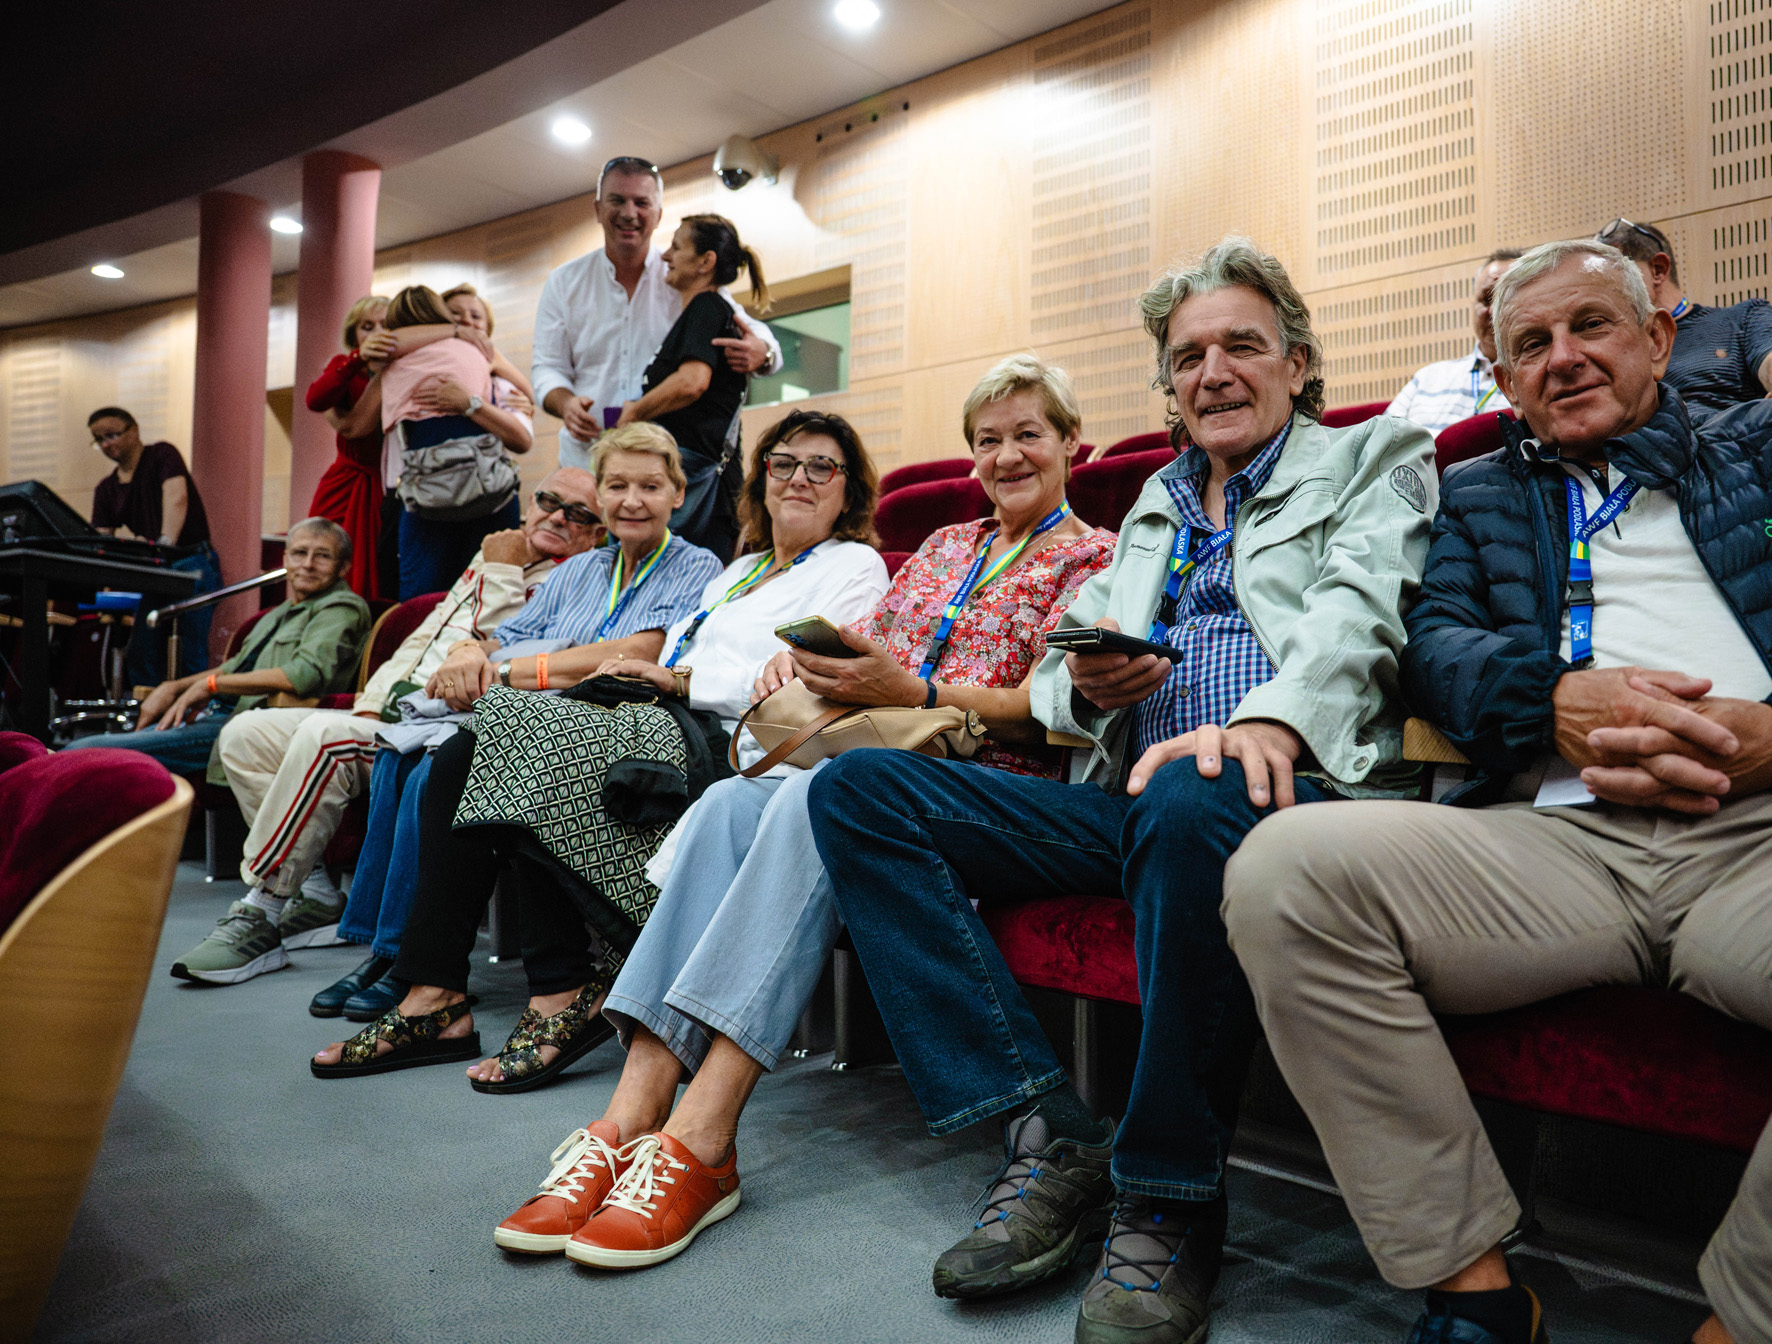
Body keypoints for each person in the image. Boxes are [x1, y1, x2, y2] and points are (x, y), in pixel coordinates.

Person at [1221, 239, 1772, 1344]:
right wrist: (1550, 700)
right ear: (1504, 380)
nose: (1564, 357)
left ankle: (1767, 1325)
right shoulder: (1480, 491)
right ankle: (1476, 1297)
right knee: (1282, 871)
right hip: (1555, 841)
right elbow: (1434, 651)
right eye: (1531, 343)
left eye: (1591, 325)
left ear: (1658, 337)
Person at [808, 239, 1436, 1344]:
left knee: (1196, 788)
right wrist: (1088, 684)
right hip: (1138, 800)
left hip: (1299, 790)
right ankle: (1045, 1128)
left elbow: (1361, 616)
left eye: (1242, 346)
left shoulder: (1374, 455)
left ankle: (1168, 1195)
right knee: (861, 790)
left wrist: (1266, 720)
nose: (1213, 374)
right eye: (1188, 358)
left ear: (1297, 363)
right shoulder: (1156, 498)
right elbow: (1064, 663)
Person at [489, 359, 1120, 1271]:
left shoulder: (1094, 556)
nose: (1007, 455)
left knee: (816, 799)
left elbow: (1064, 709)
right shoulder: (945, 545)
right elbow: (871, 657)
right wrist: (814, 666)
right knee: (725, 806)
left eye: (1030, 434)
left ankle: (706, 1135)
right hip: (877, 764)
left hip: (992, 786)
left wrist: (917, 690)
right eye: (988, 440)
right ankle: (630, 1113)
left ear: (1072, 445)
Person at [308, 420, 721, 1073]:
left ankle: (531, 989)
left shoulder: (698, 564)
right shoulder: (579, 568)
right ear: (602, 495)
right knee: (455, 751)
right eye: (617, 485)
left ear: (678, 494)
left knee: (491, 746)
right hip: (545, 715)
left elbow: (635, 654)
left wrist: (502, 673)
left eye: (650, 486)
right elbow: (503, 635)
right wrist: (468, 649)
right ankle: (433, 991)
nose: (632, 500)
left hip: (635, 725)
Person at [186, 468, 606, 992]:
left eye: (578, 513)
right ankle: (315, 892)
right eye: (549, 500)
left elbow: (497, 656)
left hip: (448, 725)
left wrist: (501, 568)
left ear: (597, 533)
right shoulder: (491, 557)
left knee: (324, 739)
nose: (558, 517)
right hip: (388, 712)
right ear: (530, 503)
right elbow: (420, 645)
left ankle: (262, 908)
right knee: (244, 735)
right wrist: (369, 704)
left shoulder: (573, 578)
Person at [63, 516, 370, 779]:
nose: (308, 564)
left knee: (83, 752)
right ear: (286, 559)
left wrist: (211, 685)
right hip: (214, 715)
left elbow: (301, 675)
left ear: (343, 567)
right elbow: (232, 667)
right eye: (300, 553)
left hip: (250, 727)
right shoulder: (281, 612)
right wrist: (175, 686)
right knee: (86, 751)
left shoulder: (341, 608)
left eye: (323, 556)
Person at [531, 157, 779, 472]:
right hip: (586, 459)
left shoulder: (684, 276)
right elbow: (547, 367)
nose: (629, 213)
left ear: (659, 214)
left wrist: (764, 352)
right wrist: (566, 403)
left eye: (641, 203)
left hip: (664, 465)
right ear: (598, 209)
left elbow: (748, 331)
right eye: (617, 200)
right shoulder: (565, 281)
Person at [618, 213, 765, 561]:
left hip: (698, 483)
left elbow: (692, 382)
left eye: (676, 247)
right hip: (698, 479)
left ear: (705, 262)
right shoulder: (703, 312)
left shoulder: (707, 306)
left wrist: (635, 413)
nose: (666, 256)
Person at [378, 284, 534, 599]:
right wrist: (454, 333)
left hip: (486, 494)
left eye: (475, 316)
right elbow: (389, 344)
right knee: (429, 599)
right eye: (455, 315)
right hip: (425, 498)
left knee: (487, 595)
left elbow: (523, 428)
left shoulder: (487, 360)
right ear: (439, 319)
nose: (466, 321)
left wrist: (471, 403)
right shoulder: (398, 358)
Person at [1594, 216, 1772, 410]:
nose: (1600, 292)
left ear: (1658, 270)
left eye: (1612, 276)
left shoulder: (1744, 317)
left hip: (1733, 433)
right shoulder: (1612, 348)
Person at [87, 406, 221, 684]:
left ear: (134, 430)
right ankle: (149, 707)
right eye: (99, 440)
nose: (106, 444)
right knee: (143, 652)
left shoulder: (162, 455)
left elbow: (176, 498)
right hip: (156, 570)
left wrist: (164, 546)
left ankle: (191, 708)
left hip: (190, 562)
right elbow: (100, 540)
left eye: (112, 435)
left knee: (190, 651)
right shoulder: (106, 488)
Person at [305, 296, 393, 601]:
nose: (377, 332)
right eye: (367, 327)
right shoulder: (345, 366)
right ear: (354, 334)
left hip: (387, 486)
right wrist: (357, 359)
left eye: (385, 325)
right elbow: (315, 399)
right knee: (325, 558)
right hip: (346, 483)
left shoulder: (405, 368)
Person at [1385, 248, 1525, 435]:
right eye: (1486, 299)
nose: (1493, 311)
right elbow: (1379, 441)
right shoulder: (1426, 378)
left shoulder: (1536, 381)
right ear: (1473, 306)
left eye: (1505, 299)